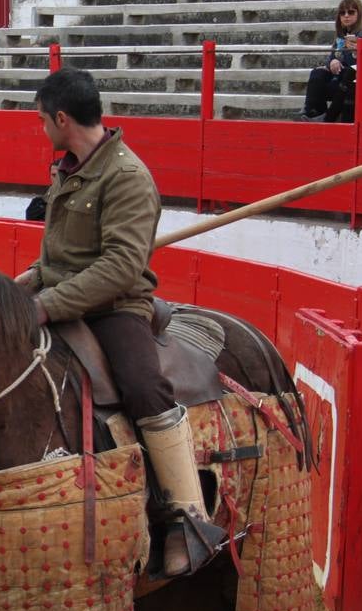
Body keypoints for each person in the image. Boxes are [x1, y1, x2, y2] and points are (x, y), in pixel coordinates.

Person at [16, 67, 224, 579]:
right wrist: (13, 290)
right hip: (59, 292)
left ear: (62, 118)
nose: (41, 127)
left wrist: (46, 305)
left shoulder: (128, 177)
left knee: (142, 386)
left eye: (43, 118)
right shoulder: (67, 168)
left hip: (114, 306)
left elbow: (119, 268)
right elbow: (56, 257)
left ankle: (186, 518)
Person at [298, 0, 362, 121]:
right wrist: (333, 61)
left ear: (359, 14)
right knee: (317, 73)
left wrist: (350, 52)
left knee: (344, 74)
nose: (346, 16)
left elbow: (356, 65)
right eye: (342, 13)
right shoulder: (341, 35)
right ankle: (312, 110)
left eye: (351, 12)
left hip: (350, 79)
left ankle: (324, 117)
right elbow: (331, 58)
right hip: (337, 76)